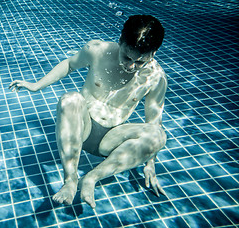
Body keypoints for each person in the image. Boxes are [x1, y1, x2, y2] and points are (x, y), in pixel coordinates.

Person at [9, 15, 167, 209]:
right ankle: (71, 180)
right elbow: (69, 64)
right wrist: (36, 86)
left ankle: (91, 178)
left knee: (158, 135)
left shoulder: (155, 77)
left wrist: (149, 163)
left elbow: (153, 121)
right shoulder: (98, 51)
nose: (131, 66)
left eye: (140, 62)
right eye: (127, 57)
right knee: (70, 99)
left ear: (154, 53)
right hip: (82, 128)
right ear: (120, 41)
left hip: (111, 140)